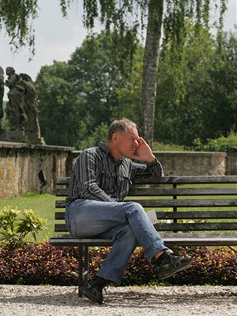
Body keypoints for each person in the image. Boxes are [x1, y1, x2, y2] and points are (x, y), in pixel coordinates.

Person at [66, 118, 193, 304]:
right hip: (79, 215)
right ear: (115, 137)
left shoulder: (127, 165)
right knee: (133, 209)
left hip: (108, 223)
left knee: (131, 231)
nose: (136, 143)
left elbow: (156, 175)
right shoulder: (90, 155)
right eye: (133, 138)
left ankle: (97, 284)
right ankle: (162, 258)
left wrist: (150, 159)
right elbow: (88, 189)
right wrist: (120, 210)